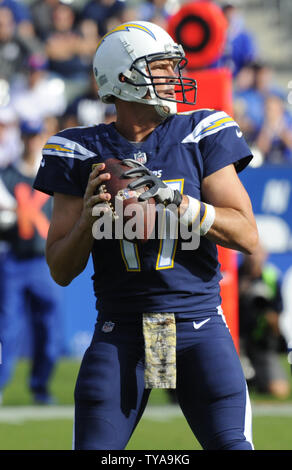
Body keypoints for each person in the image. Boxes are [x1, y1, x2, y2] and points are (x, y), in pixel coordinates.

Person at [34, 21, 258, 450]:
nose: (173, 77)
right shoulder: (79, 150)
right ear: (122, 78)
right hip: (122, 332)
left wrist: (176, 203)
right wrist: (86, 222)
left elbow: (247, 235)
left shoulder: (200, 132)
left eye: (173, 67)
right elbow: (61, 270)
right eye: (159, 67)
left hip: (198, 326)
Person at [0, 119, 62, 405]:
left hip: (43, 261)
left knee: (47, 326)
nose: (32, 140)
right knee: (6, 328)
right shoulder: (7, 175)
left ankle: (41, 386)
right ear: (22, 138)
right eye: (28, 135)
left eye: (36, 135)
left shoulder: (51, 173)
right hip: (13, 259)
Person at [238, 244, 290, 399]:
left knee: (280, 390)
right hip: (236, 341)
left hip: (262, 342)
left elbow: (277, 316)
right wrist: (241, 291)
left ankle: (259, 381)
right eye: (249, 253)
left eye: (257, 253)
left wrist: (269, 315)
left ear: (265, 255)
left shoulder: (271, 278)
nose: (254, 258)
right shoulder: (234, 276)